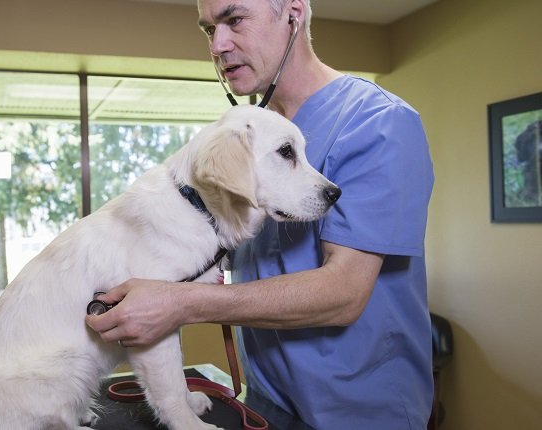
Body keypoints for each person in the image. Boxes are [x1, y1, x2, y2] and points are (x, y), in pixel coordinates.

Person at [86, 0, 435, 428]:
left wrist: (180, 302)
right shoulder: (250, 134)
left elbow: (344, 292)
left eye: (234, 20)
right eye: (208, 29)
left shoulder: (378, 123)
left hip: (360, 413)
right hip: (266, 401)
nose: (218, 44)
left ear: (293, 12)